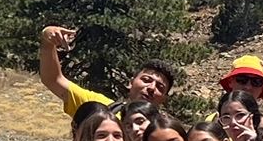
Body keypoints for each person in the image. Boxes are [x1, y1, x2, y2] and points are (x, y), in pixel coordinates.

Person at [36, 25, 176, 117]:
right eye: (146, 80)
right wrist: (48, 42)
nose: (151, 88)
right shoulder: (100, 108)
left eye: (160, 87)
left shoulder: (163, 134)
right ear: (130, 83)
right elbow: (53, 80)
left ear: (163, 99)